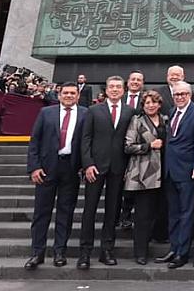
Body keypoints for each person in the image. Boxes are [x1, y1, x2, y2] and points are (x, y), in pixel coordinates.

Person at [24, 82, 86, 270]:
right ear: (59, 95)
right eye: (65, 93)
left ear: (78, 96)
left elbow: (87, 141)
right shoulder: (46, 113)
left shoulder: (85, 114)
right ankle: (37, 253)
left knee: (65, 213)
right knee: (41, 212)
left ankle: (60, 251)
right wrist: (34, 168)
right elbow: (35, 141)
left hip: (71, 168)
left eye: (72, 93)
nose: (68, 96)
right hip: (46, 168)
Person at [77, 76, 134, 269]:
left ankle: (106, 250)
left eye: (119, 87)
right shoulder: (93, 110)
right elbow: (85, 139)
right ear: (106, 90)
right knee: (89, 210)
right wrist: (87, 164)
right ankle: (85, 252)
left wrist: (128, 168)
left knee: (112, 211)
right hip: (95, 167)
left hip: (118, 168)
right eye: (112, 87)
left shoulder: (130, 111)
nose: (115, 90)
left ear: (123, 90)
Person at [155, 81, 194, 269]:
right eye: (176, 94)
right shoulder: (172, 112)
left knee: (187, 213)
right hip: (170, 170)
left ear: (189, 94)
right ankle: (174, 247)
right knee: (174, 213)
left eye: (183, 94)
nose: (179, 97)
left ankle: (182, 253)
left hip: (188, 171)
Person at [123, 90, 168, 265]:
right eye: (147, 103)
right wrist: (149, 146)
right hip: (143, 174)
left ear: (159, 104)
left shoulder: (166, 119)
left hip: (164, 172)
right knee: (143, 215)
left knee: (160, 210)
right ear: (143, 105)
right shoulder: (137, 121)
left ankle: (159, 238)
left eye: (154, 102)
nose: (151, 105)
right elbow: (127, 146)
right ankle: (140, 252)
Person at [119, 70, 146, 229]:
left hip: (137, 149)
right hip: (118, 149)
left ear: (142, 83)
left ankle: (128, 216)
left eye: (139, 80)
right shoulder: (119, 98)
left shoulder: (146, 100)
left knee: (132, 185)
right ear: (128, 82)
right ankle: (118, 216)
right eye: (133, 79)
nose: (136, 82)